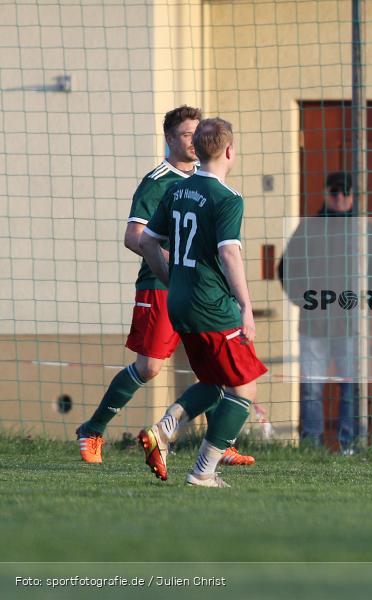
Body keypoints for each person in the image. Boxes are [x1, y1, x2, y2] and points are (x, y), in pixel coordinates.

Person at [74, 105, 253, 468]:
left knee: (214, 366)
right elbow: (135, 236)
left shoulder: (205, 184)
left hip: (201, 292)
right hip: (160, 285)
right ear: (170, 139)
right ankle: (92, 429)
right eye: (186, 134)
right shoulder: (159, 181)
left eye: (197, 134)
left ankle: (221, 441)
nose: (193, 140)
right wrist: (178, 269)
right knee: (150, 367)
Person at [138, 117, 268, 487]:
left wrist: (172, 279)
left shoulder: (176, 190)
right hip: (212, 304)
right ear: (230, 151)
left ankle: (165, 430)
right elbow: (229, 253)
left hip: (177, 302)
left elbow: (147, 241)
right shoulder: (227, 198)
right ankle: (203, 471)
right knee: (244, 388)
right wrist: (245, 306)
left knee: (213, 379)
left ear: (198, 149)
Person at [278, 172, 372, 454]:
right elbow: (285, 268)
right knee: (311, 389)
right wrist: (305, 300)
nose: (341, 197)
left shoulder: (364, 230)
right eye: (336, 191)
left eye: (346, 192)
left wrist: (365, 305)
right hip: (313, 324)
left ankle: (349, 445)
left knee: (351, 389)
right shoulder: (309, 228)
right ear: (327, 192)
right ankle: (311, 445)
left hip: (350, 326)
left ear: (354, 196)